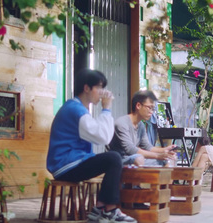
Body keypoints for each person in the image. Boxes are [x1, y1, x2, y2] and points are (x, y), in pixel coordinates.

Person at [46, 69, 136, 223]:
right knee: (113, 158)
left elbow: (101, 136)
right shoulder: (76, 111)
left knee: (114, 159)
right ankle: (109, 210)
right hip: (67, 166)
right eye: (99, 88)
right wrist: (106, 109)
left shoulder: (74, 108)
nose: (102, 93)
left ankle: (101, 208)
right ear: (87, 88)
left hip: (68, 163)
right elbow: (104, 138)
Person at [108, 90, 175, 166]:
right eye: (149, 108)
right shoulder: (121, 123)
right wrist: (158, 156)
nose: (151, 112)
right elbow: (131, 150)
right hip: (119, 160)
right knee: (139, 158)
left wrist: (165, 150)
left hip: (133, 158)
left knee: (165, 160)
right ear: (138, 105)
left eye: (153, 109)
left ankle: (164, 178)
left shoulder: (141, 125)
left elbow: (147, 147)